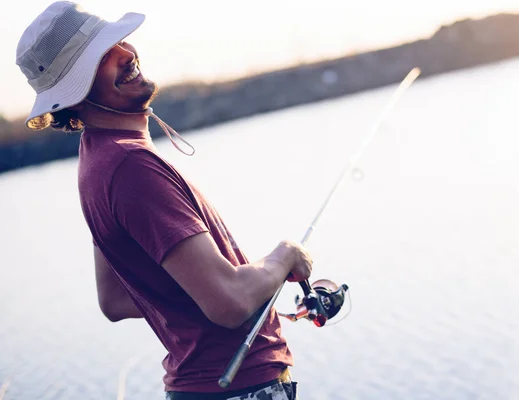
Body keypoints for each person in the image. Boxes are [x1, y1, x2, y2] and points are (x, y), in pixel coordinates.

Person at [16, 2, 312, 399]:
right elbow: (228, 302)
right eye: (101, 57)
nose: (126, 54)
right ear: (74, 95)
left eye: (117, 41)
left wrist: (209, 287)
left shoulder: (98, 158)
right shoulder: (130, 167)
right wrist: (285, 255)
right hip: (240, 390)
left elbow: (116, 299)